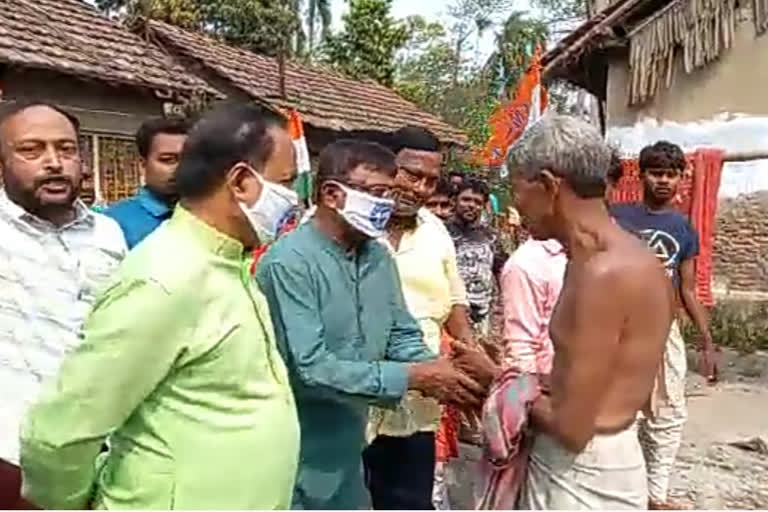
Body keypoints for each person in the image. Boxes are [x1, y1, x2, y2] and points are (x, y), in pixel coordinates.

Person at [20, 104, 301, 509]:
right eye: (286, 183)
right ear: (241, 181)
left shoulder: (228, 264)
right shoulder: (165, 279)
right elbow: (62, 431)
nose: (294, 201)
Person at [256, 139, 485, 510]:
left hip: (351, 451)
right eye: (377, 194)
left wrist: (445, 374)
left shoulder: (378, 256)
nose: (388, 204)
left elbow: (401, 333)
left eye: (389, 194)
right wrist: (414, 377)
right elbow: (312, 368)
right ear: (332, 194)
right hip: (298, 454)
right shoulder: (290, 264)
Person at [508, 115, 674, 510]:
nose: (515, 205)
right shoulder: (636, 258)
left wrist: (505, 389)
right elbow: (599, 376)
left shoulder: (599, 275)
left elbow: (572, 428)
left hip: (580, 475)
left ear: (549, 185)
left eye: (516, 189)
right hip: (615, 460)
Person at [0, 100, 127, 509]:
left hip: (102, 451)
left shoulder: (107, 234)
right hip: (12, 458)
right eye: (31, 150)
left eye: (67, 149)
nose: (54, 163)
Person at [364, 127, 490, 510]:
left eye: (431, 181)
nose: (420, 189)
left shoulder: (436, 232)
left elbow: (455, 304)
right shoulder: (346, 227)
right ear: (384, 166)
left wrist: (474, 359)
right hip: (352, 407)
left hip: (418, 408)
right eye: (411, 174)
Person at [610, 140, 716, 509]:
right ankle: (621, 489)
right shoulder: (618, 217)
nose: (664, 181)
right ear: (641, 175)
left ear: (681, 179)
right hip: (618, 330)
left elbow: (686, 287)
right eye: (656, 173)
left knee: (668, 414)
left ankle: (655, 494)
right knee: (621, 412)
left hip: (663, 333)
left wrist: (705, 338)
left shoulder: (683, 228)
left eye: (671, 174)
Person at [104, 117, 189, 249]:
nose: (180, 168)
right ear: (143, 165)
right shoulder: (112, 223)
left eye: (188, 159)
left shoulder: (212, 216)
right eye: (168, 160)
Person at [446, 178, 509, 336]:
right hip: (448, 312)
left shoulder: (491, 237)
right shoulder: (441, 232)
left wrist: (505, 309)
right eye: (466, 199)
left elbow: (501, 271)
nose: (471, 205)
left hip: (482, 315)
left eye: (477, 202)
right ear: (454, 201)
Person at [500, 237, 567, 374]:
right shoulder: (527, 263)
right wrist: (524, 393)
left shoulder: (600, 251)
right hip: (552, 384)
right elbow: (521, 350)